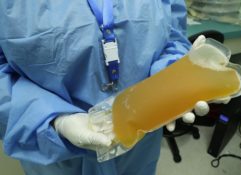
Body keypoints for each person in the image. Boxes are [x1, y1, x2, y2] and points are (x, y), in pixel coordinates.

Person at [0, 0, 222, 175]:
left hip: (139, 144)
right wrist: (56, 121)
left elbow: (172, 37)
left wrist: (172, 75)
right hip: (57, 155)